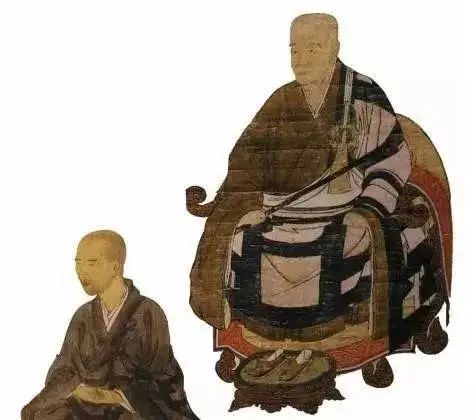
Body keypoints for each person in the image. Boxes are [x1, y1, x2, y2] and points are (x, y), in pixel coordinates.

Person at [189, 13, 443, 381]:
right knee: (244, 237)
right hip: (281, 210)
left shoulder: (362, 94)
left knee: (339, 244)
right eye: (295, 50)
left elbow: (392, 157)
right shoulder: (282, 99)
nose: (301, 59)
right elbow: (246, 159)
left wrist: (368, 208)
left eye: (313, 49)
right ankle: (275, 340)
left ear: (335, 48)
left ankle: (322, 339)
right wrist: (248, 203)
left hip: (345, 207)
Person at [22, 230, 198, 419]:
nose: (82, 271)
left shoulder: (148, 312)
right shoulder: (83, 315)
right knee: (38, 413)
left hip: (131, 408)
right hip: (84, 405)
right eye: (78, 263)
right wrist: (77, 389)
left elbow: (162, 378)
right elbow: (64, 368)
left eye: (92, 263)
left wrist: (113, 396)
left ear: (115, 267)